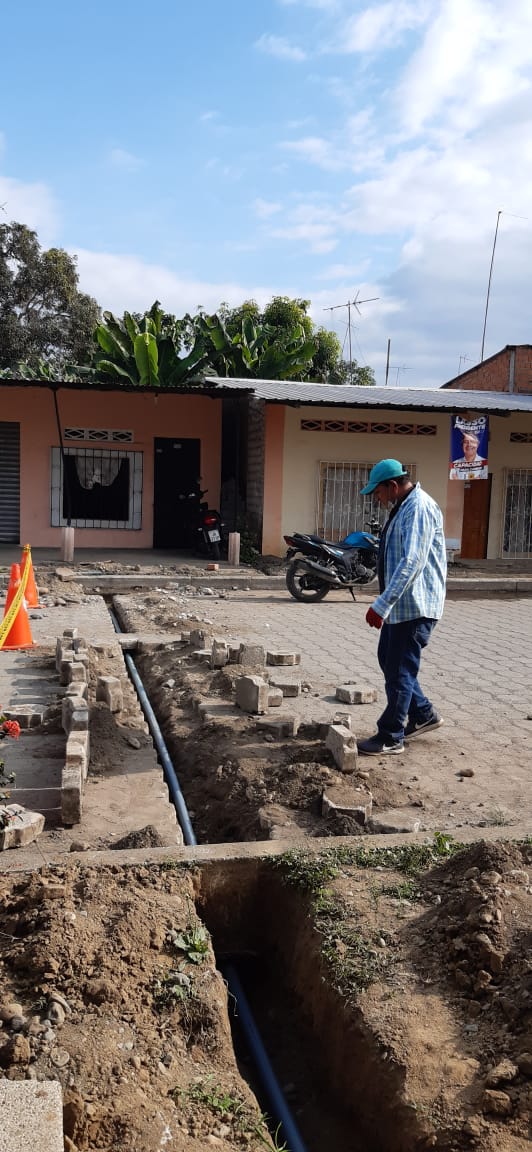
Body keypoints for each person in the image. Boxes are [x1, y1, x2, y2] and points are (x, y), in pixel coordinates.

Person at [357, 459, 447, 756]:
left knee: (399, 670)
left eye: (378, 492)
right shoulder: (404, 506)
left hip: (416, 605)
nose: (377, 498)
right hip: (403, 605)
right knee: (389, 659)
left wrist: (381, 604)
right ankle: (423, 714)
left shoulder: (418, 507)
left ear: (393, 486)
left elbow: (411, 562)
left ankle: (391, 736)